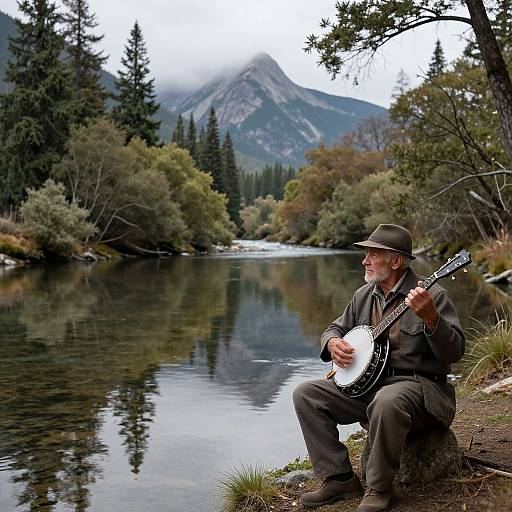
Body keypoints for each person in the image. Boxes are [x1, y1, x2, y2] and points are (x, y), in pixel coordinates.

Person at [293, 224, 465, 512]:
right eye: (366, 254)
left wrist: (432, 319)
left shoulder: (432, 295)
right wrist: (332, 341)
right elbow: (335, 327)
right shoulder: (364, 295)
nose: (364, 260)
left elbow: (455, 351)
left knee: (388, 400)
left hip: (422, 393)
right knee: (306, 394)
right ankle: (339, 479)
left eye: (373, 254)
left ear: (396, 261)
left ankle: (379, 487)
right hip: (370, 389)